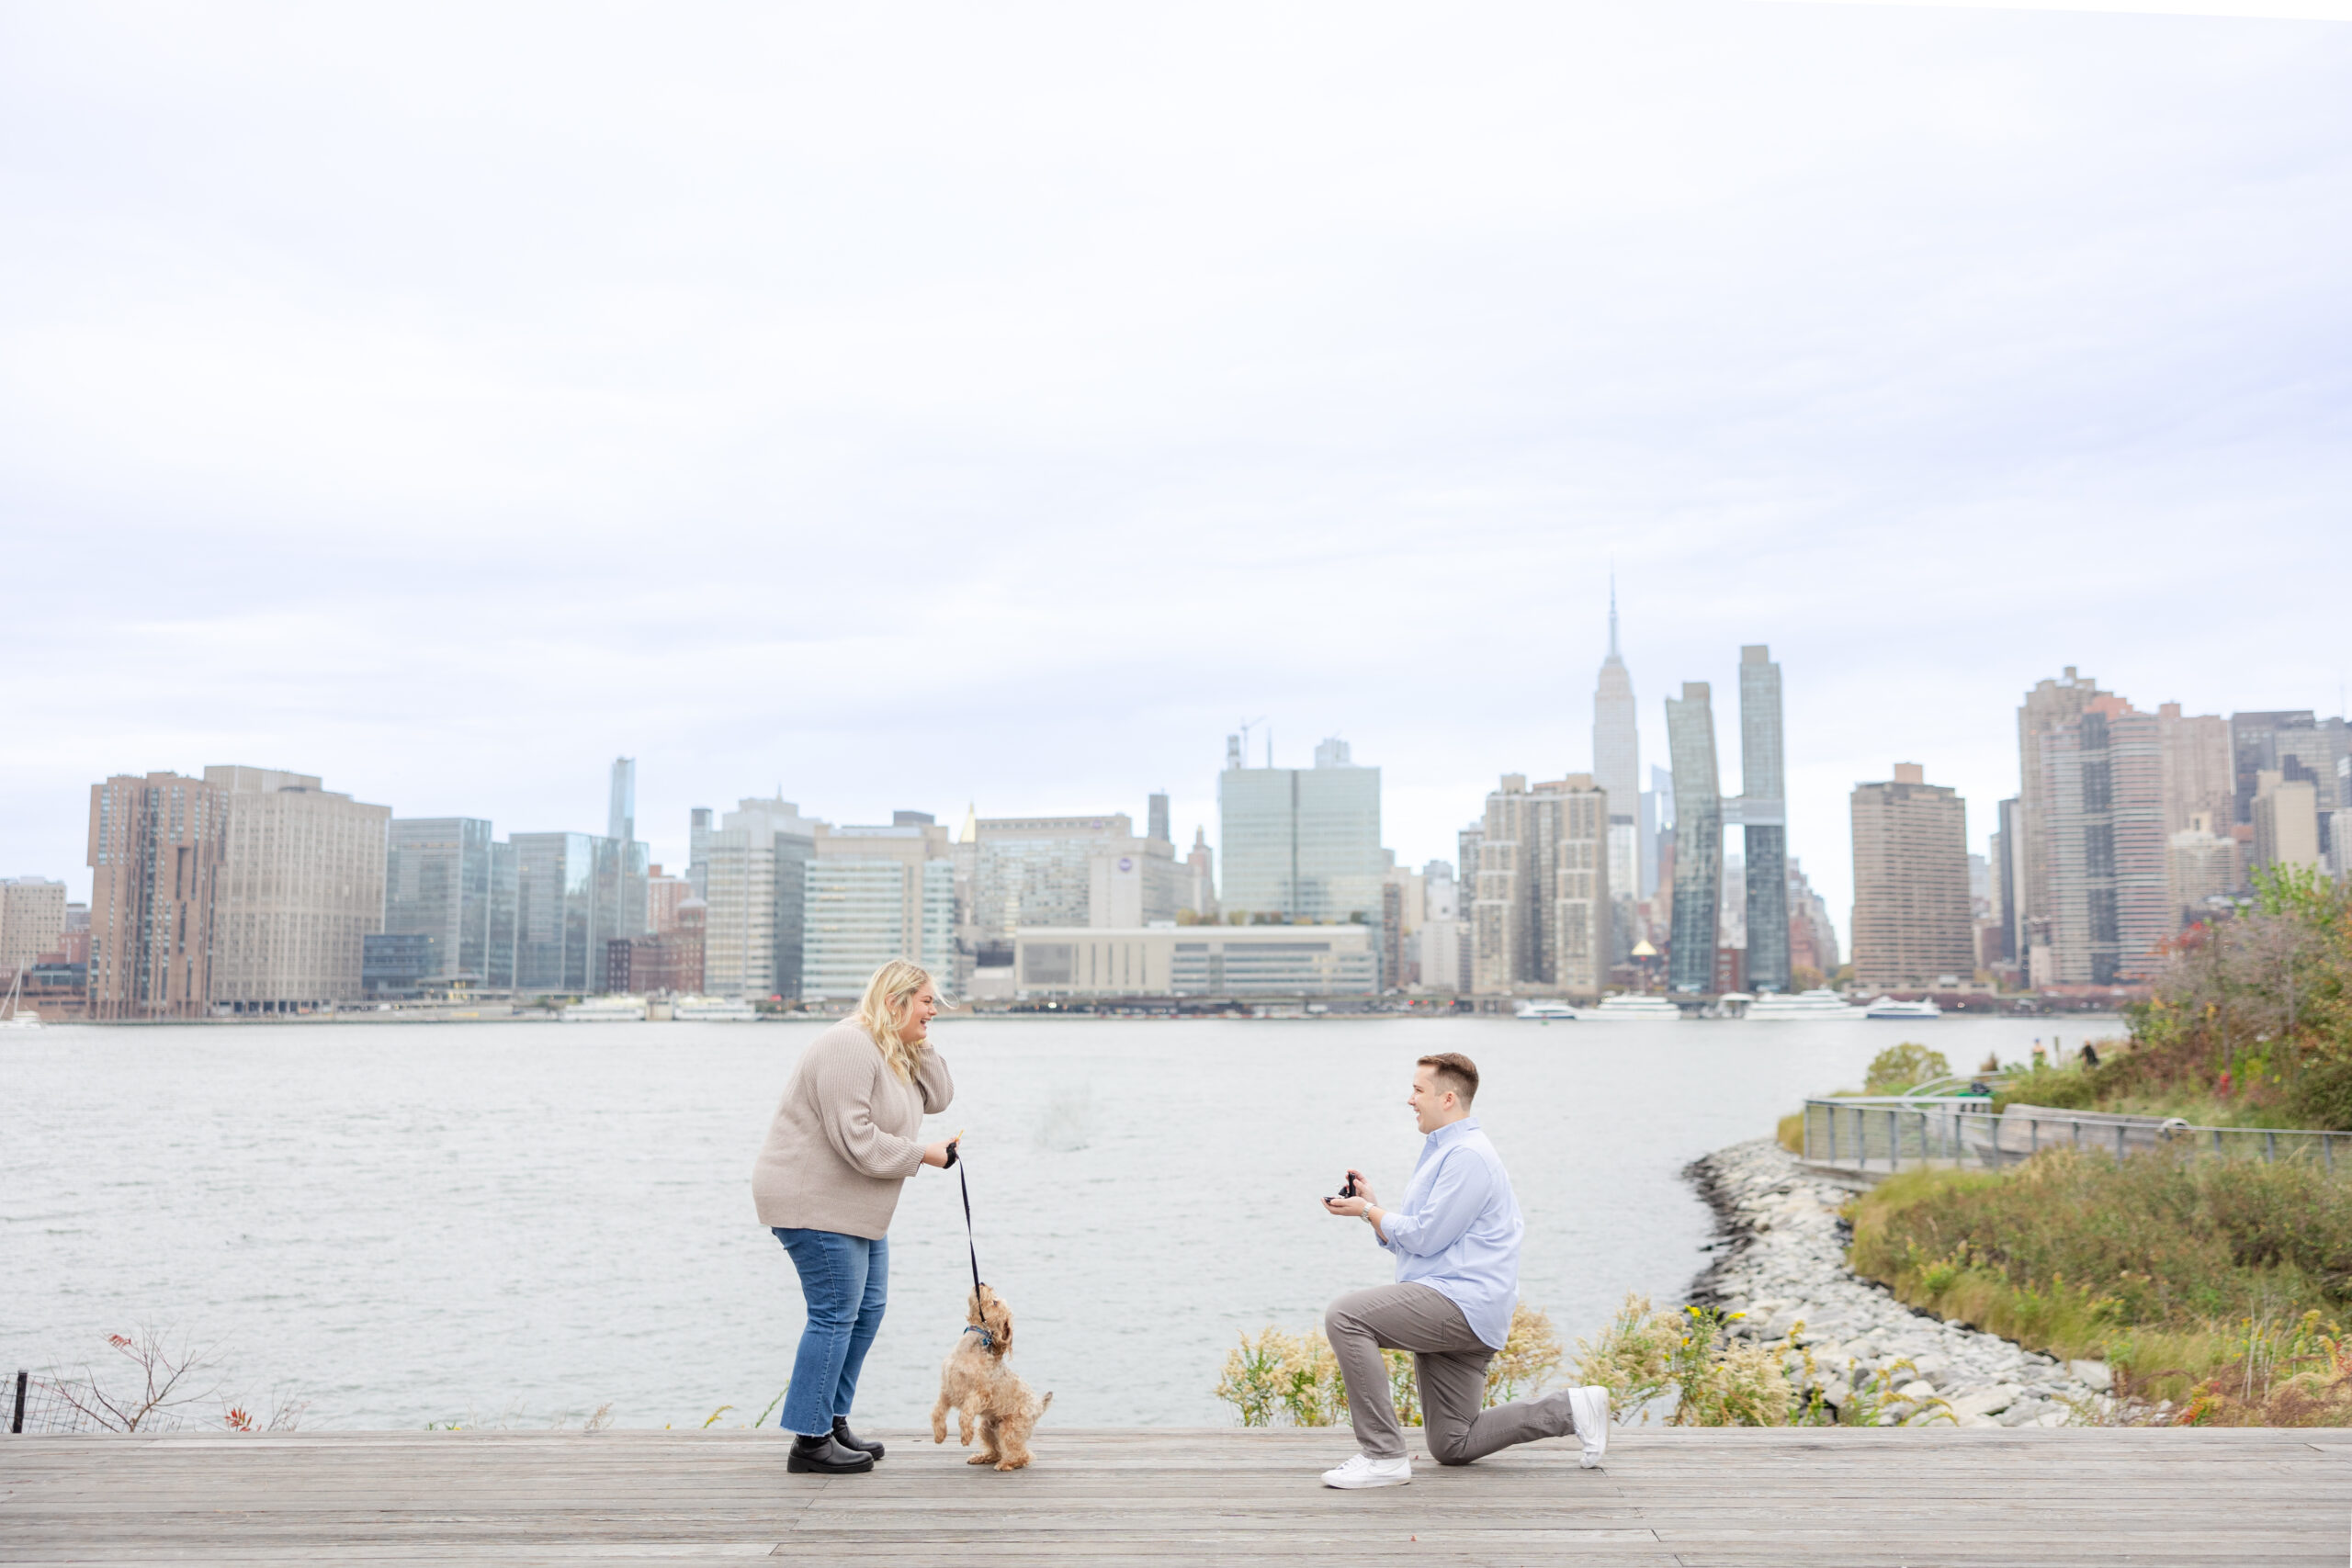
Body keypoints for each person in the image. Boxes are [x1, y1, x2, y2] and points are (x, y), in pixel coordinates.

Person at [1317, 1052, 1608, 1489]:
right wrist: (1372, 1208)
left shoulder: (1467, 1156)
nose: (1410, 1100)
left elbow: (1425, 1237)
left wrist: (1369, 1211)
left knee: (1346, 1315)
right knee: (1454, 1443)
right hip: (1461, 1306)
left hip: (1458, 1302)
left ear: (1448, 1098)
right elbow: (1426, 1239)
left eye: (1418, 1090)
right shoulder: (1448, 1152)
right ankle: (1572, 1409)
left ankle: (1382, 1456)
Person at [752, 959, 958, 1475]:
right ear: (895, 1001)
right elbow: (856, 1137)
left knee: (866, 1311)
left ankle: (830, 1419)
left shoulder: (893, 1047)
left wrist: (920, 1038)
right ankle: (809, 1441)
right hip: (813, 1199)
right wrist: (922, 1156)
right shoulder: (848, 1045)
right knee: (835, 1314)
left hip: (855, 1203)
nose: (935, 1010)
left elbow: (941, 1097)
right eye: (926, 1001)